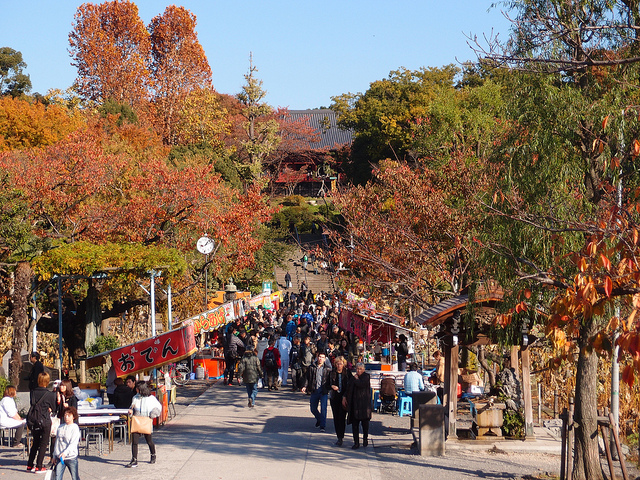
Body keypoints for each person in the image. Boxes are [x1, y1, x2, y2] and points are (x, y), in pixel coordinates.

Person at [126, 381, 161, 468]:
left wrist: (153, 414)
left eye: (137, 388)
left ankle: (153, 454)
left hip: (146, 420)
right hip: (136, 420)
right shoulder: (135, 398)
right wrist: (130, 412)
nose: (136, 389)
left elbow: (158, 407)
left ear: (141, 389)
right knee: (134, 441)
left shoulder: (151, 398)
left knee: (149, 441)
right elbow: (132, 408)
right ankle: (134, 459)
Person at [27, 372, 57, 473]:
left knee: (35, 443)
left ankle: (30, 465)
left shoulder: (32, 392)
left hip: (34, 420)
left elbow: (32, 404)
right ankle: (39, 466)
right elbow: (53, 408)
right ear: (47, 381)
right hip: (45, 420)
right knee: (44, 444)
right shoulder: (50, 394)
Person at [49, 379, 78, 467]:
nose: (61, 387)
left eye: (63, 386)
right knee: (55, 439)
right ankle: (53, 458)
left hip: (70, 423)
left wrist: (68, 407)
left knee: (69, 439)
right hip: (59, 421)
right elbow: (55, 409)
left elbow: (75, 410)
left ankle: (69, 456)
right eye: (61, 385)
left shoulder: (72, 397)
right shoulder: (58, 395)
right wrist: (58, 401)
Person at [301, 352, 331, 432]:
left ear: (325, 359)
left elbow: (330, 380)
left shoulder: (327, 369)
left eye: (322, 357)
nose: (320, 359)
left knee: (323, 408)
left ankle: (322, 426)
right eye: (319, 357)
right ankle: (319, 419)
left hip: (323, 391)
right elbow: (307, 378)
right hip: (314, 390)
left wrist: (330, 388)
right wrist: (305, 386)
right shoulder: (312, 367)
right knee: (313, 408)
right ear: (317, 357)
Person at [346, 362, 372, 449]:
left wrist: (356, 379)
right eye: (357, 369)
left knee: (365, 424)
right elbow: (349, 387)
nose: (358, 371)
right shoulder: (353, 378)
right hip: (354, 404)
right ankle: (356, 442)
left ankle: (365, 438)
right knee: (355, 424)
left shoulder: (366, 376)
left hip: (364, 404)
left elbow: (361, 384)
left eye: (360, 369)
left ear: (364, 369)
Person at [328, 356, 351, 446]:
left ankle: (341, 436)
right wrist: (332, 386)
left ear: (343, 364)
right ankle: (339, 437)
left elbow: (350, 385)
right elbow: (327, 384)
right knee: (336, 418)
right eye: (337, 364)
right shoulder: (332, 373)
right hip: (335, 398)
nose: (339, 365)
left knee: (342, 417)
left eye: (340, 364)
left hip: (344, 398)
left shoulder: (347, 373)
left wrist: (345, 396)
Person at [53, 406, 81, 480]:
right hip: (60, 457)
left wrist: (65, 453)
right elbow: (57, 442)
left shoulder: (75, 428)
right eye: (65, 415)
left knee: (75, 477)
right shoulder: (60, 427)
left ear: (73, 417)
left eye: (69, 415)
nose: (66, 417)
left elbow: (73, 443)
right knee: (57, 477)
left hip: (71, 457)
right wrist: (54, 455)